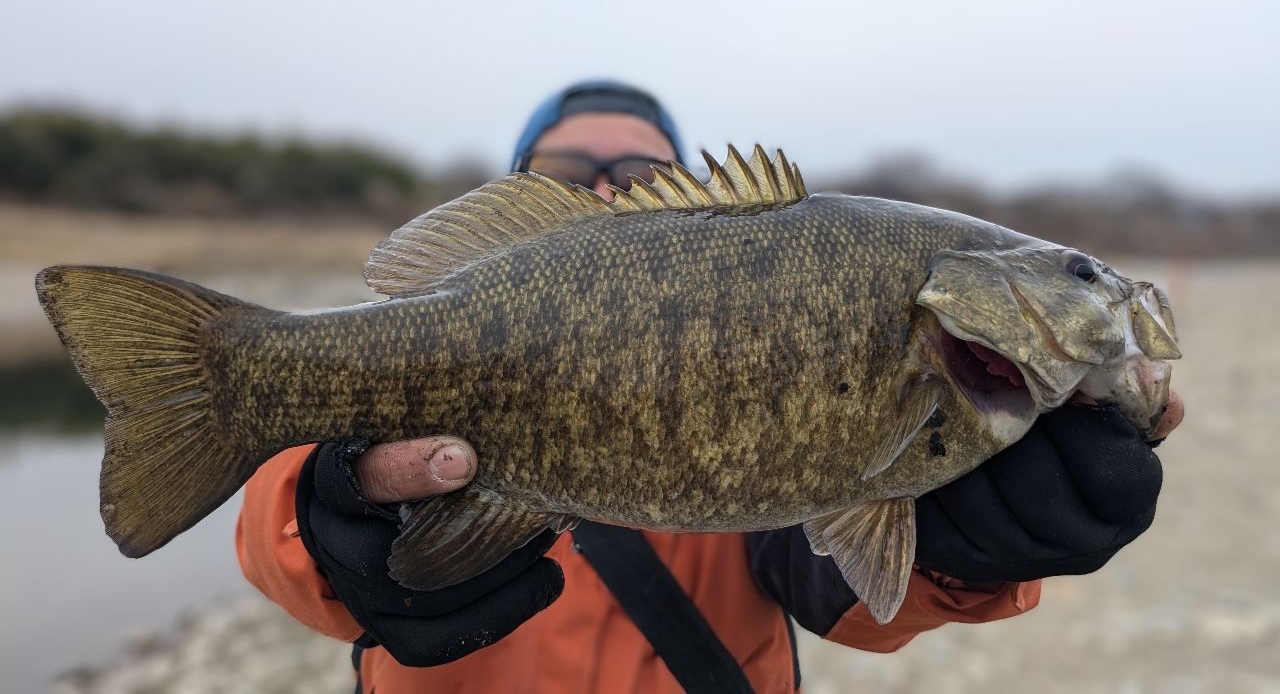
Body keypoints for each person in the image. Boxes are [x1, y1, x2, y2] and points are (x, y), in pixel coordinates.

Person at [237, 81, 1181, 694]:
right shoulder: (427, 344)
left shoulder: (922, 364)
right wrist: (325, 521)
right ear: (516, 192)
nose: (606, 188)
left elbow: (840, 587)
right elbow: (285, 537)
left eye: (641, 172)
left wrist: (968, 555)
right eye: (568, 174)